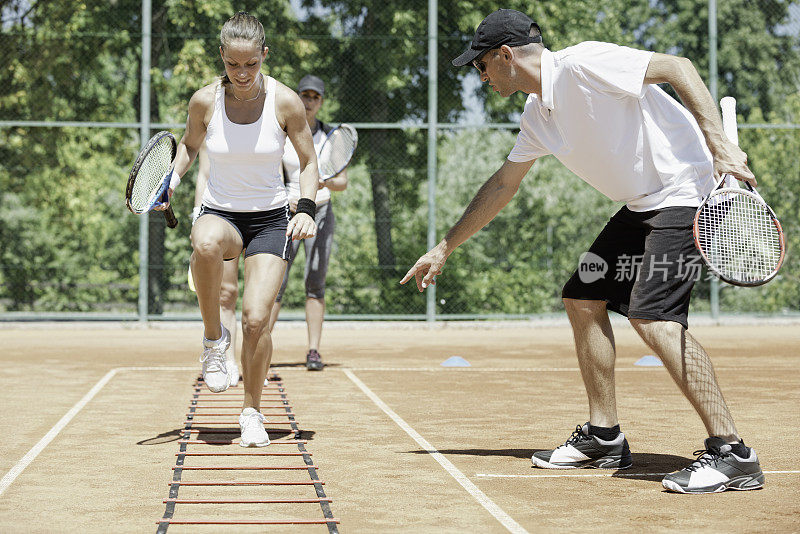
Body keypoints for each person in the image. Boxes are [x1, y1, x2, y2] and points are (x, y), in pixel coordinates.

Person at [401, 9, 764, 494]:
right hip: (643, 205)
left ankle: (733, 453)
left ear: (505, 56)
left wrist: (720, 147)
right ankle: (604, 436)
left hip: (686, 192)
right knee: (583, 296)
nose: (480, 75)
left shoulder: (584, 64)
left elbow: (679, 67)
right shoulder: (538, 116)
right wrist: (446, 245)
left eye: (481, 65)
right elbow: (504, 184)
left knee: (653, 316)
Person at [157, 12, 319, 447]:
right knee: (205, 241)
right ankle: (213, 340)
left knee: (254, 320)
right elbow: (189, 147)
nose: (242, 74)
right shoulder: (204, 101)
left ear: (264, 55)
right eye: (233, 65)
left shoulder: (286, 102)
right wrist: (170, 181)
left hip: (270, 219)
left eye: (251, 64)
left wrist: (305, 208)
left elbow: (308, 163)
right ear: (222, 58)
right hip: (221, 213)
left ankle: (251, 412)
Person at [268, 75, 348, 371]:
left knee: (315, 283)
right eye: (304, 95)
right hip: (284, 212)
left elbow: (341, 182)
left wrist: (321, 179)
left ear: (321, 101)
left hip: (321, 212)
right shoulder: (281, 131)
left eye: (315, 96)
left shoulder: (333, 136)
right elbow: (271, 173)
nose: (309, 101)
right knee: (275, 282)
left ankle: (313, 351)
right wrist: (287, 202)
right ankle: (261, 347)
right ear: (297, 98)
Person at [191, 144, 240, 388]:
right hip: (222, 215)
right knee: (227, 293)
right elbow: (204, 172)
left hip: (264, 214)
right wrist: (197, 215)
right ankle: (226, 357)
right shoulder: (210, 122)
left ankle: (257, 360)